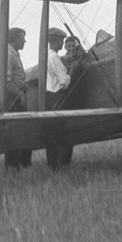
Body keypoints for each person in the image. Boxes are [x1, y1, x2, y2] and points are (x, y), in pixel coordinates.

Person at [44, 28, 74, 169]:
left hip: (50, 98)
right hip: (58, 97)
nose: (62, 44)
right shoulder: (54, 57)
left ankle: (53, 165)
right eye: (61, 40)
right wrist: (73, 68)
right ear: (55, 40)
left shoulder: (47, 56)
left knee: (53, 134)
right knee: (65, 133)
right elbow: (64, 82)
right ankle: (63, 165)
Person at [3, 27, 32, 170]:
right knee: (15, 133)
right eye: (22, 38)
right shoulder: (7, 55)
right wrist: (20, 94)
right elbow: (6, 83)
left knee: (23, 131)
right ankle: (13, 167)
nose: (24, 41)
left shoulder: (13, 54)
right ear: (15, 39)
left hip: (17, 94)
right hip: (13, 97)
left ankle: (22, 164)